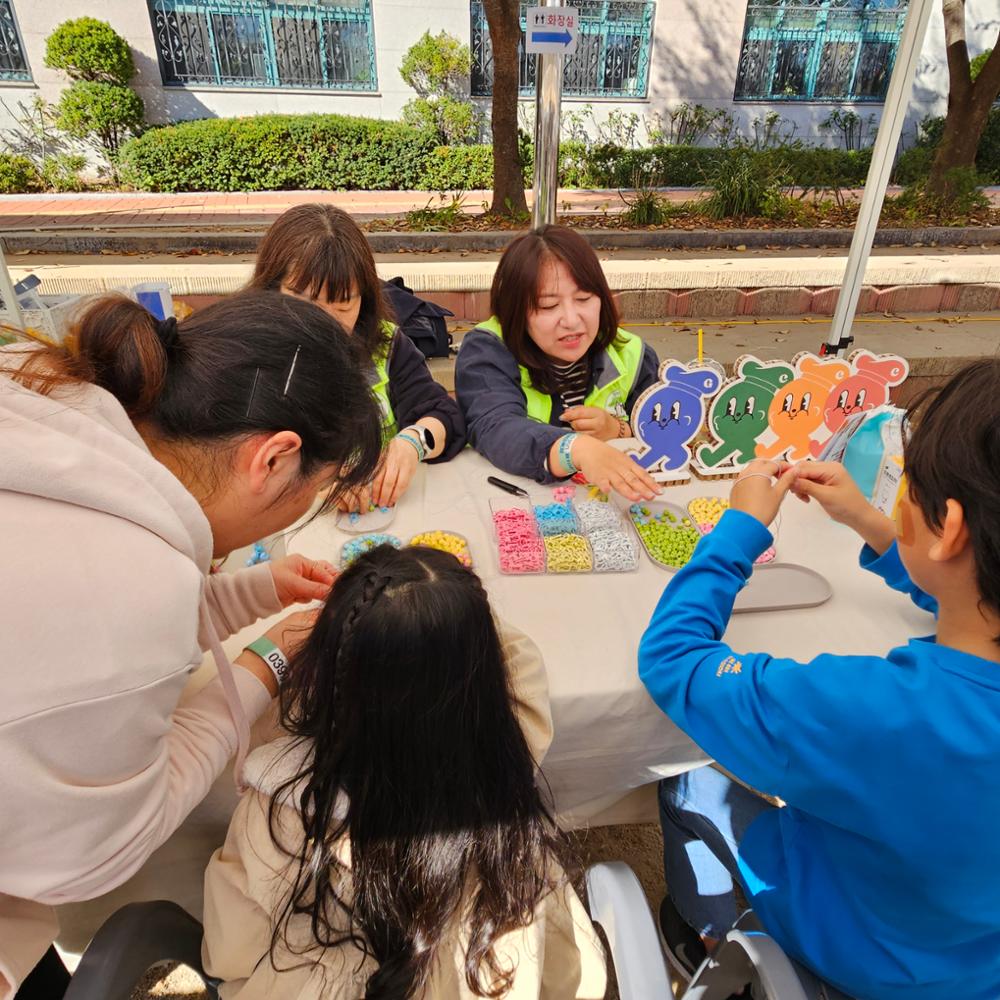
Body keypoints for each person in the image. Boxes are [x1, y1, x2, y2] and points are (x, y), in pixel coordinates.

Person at [0, 290, 385, 1000]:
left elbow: (75, 619)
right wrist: (267, 661)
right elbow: (101, 847)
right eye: (322, 489)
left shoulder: (46, 395)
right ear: (274, 458)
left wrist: (251, 591)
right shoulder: (132, 589)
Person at [638, 360, 1000, 1000]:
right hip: (970, 962)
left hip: (857, 950)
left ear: (948, 529)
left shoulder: (871, 709)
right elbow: (970, 600)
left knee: (687, 781)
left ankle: (713, 928)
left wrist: (740, 529)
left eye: (902, 490)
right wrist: (873, 523)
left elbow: (672, 659)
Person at [202, 544, 607, 999]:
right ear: (482, 682)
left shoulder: (280, 814)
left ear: (328, 672)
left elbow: (229, 954)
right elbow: (517, 661)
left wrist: (352, 624)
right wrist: (437, 614)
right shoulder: (510, 748)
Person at [250, 203, 466, 511]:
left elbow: (444, 415)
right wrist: (313, 488)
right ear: (272, 290)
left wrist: (413, 443)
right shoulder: (250, 358)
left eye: (343, 305)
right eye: (307, 302)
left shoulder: (387, 345)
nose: (326, 323)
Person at [455, 225, 660, 501]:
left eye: (583, 299)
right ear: (515, 309)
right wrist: (574, 448)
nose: (572, 320)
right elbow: (495, 426)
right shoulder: (487, 352)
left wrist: (619, 429)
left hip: (614, 507)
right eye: (548, 306)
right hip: (514, 505)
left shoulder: (632, 354)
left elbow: (668, 426)